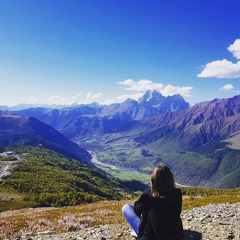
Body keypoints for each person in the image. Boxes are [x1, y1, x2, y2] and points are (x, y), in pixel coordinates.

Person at [122, 163, 183, 240]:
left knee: (126, 208)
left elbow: (137, 210)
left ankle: (139, 232)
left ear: (154, 179)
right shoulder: (177, 194)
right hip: (176, 237)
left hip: (151, 237)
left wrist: (139, 201)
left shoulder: (148, 195)